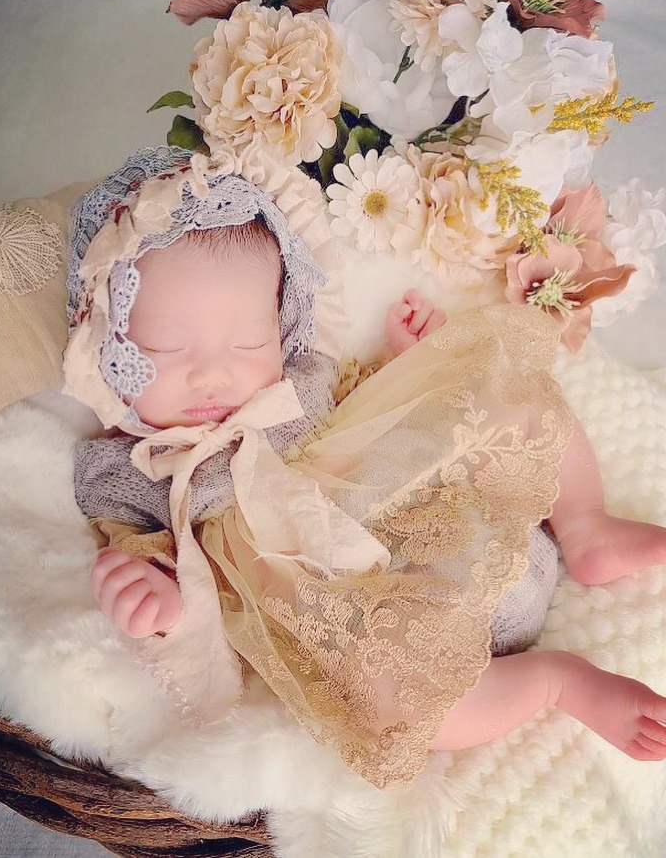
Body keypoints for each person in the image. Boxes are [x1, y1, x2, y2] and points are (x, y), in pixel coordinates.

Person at [64, 148, 666, 789]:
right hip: (362, 614)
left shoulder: (300, 382)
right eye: (166, 349)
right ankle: (556, 682)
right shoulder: (131, 470)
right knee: (409, 717)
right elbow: (150, 550)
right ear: (108, 344)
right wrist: (156, 598)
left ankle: (585, 524)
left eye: (248, 342)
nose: (213, 373)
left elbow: (371, 403)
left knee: (502, 378)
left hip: (453, 515)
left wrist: (413, 365)